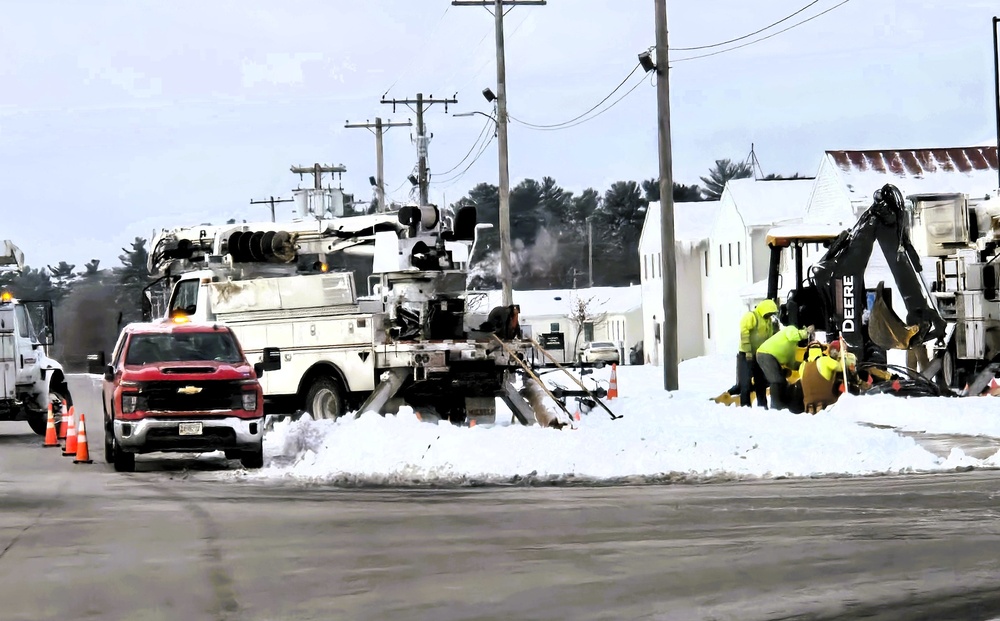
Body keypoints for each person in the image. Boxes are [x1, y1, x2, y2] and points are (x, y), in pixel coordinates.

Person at [755, 323, 812, 410]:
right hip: (766, 354)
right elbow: (793, 335)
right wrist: (806, 332)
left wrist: (806, 365)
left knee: (782, 381)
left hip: (772, 357)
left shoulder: (792, 347)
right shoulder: (790, 329)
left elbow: (791, 363)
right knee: (777, 380)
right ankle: (776, 406)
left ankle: (783, 405)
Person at [737, 299, 779, 408]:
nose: (770, 315)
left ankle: (763, 406)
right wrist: (747, 351)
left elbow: (769, 338)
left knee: (761, 382)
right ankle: (745, 407)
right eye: (769, 313)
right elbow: (744, 332)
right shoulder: (751, 316)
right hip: (746, 355)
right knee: (745, 383)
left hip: (759, 355)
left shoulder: (768, 321)